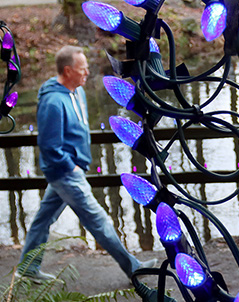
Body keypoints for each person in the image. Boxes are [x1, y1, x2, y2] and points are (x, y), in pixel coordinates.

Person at [18, 46, 150, 283]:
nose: (87, 72)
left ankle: (28, 267)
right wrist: (71, 166)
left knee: (43, 219)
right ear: (67, 71)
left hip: (69, 169)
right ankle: (134, 268)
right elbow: (49, 146)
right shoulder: (53, 102)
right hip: (65, 173)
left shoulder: (75, 91)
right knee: (99, 221)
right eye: (82, 69)